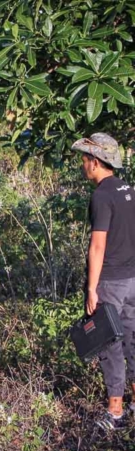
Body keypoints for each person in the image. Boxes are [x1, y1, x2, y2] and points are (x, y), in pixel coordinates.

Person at [72, 133, 135, 430]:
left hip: (110, 280)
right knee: (133, 340)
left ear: (95, 162)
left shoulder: (101, 195)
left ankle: (115, 412)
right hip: (133, 278)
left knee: (110, 344)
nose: (83, 166)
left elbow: (97, 245)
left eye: (85, 160)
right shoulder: (129, 190)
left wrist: (91, 289)